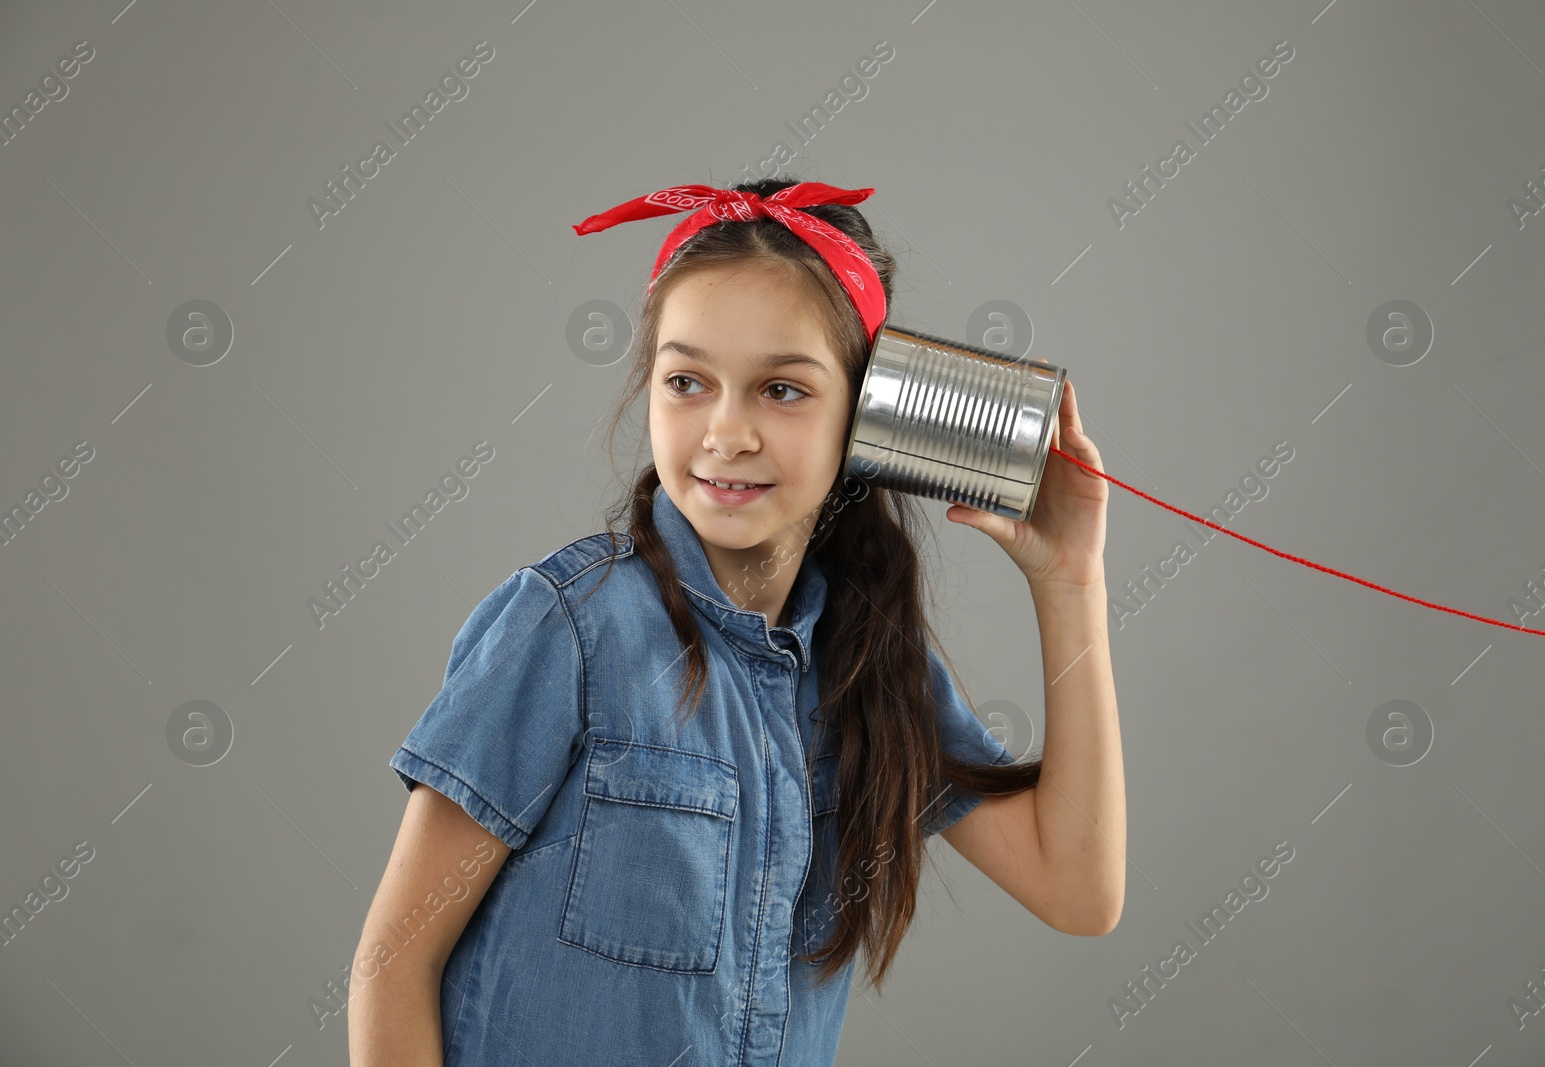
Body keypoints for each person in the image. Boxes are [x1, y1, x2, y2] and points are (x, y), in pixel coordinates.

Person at [347, 176, 1126, 1066]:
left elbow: (1078, 888)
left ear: (864, 417)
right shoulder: (566, 631)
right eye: (687, 381)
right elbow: (391, 963)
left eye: (782, 391)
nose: (725, 431)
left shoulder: (867, 659)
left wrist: (1071, 582)